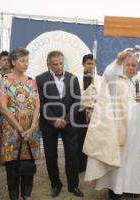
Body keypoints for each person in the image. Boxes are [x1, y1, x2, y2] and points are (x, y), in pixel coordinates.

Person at [83, 50, 140, 199]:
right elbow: (108, 72)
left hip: (135, 131)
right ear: (123, 66)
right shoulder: (115, 79)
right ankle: (114, 189)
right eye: (128, 65)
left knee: (132, 160)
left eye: (133, 65)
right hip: (118, 128)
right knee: (118, 159)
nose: (131, 68)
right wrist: (118, 60)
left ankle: (131, 187)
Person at [36, 51, 84, 197]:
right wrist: (54, 120)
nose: (58, 67)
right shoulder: (40, 79)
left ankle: (73, 185)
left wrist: (67, 119)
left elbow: (77, 101)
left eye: (61, 63)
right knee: (51, 155)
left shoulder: (73, 78)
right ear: (48, 64)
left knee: (72, 154)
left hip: (69, 124)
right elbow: (41, 102)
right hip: (48, 124)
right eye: (55, 64)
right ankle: (55, 184)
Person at [0, 48, 40, 200]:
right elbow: (3, 107)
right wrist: (21, 129)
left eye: (27, 60)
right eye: (22, 61)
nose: (26, 63)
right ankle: (14, 197)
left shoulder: (31, 81)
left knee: (28, 166)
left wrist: (32, 127)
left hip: (31, 132)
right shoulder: (5, 81)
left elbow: (37, 105)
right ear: (13, 62)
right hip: (12, 132)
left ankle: (27, 196)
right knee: (12, 167)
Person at [77, 54, 95, 173]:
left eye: (93, 63)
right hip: (79, 113)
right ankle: (80, 165)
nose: (91, 66)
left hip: (94, 114)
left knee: (93, 139)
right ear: (83, 64)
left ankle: (92, 166)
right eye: (88, 63)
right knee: (80, 139)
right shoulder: (76, 78)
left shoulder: (98, 78)